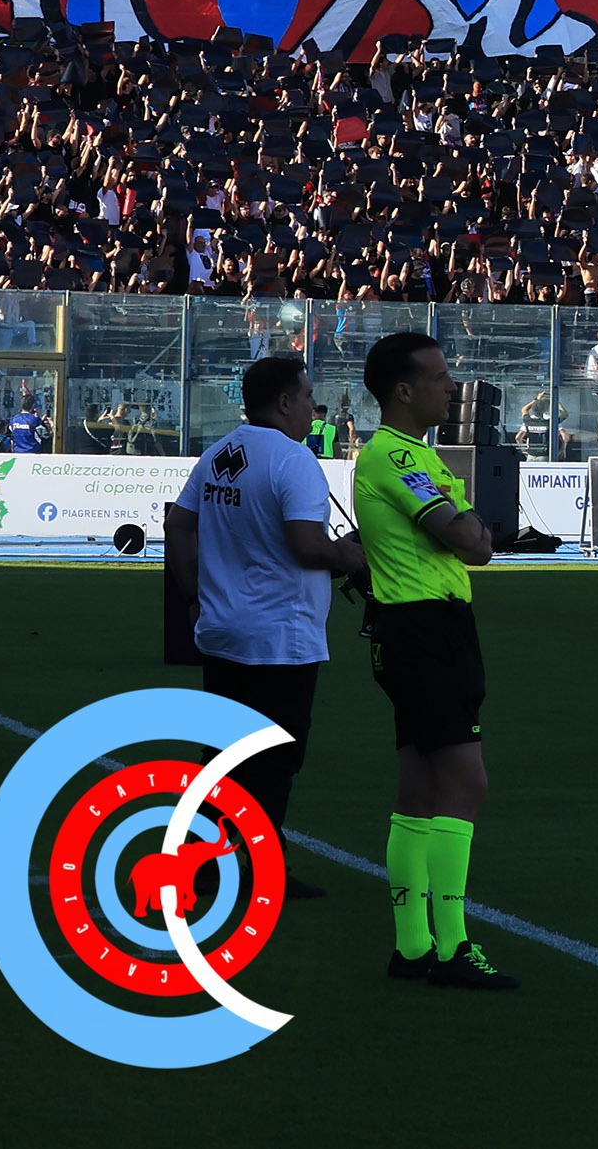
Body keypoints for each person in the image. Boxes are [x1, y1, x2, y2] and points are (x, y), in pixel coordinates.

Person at [354, 330, 521, 990]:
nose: (451, 388)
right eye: (439, 376)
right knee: (465, 783)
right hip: (425, 629)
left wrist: (470, 529)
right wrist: (469, 528)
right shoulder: (396, 457)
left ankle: (413, 945)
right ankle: (451, 948)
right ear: (404, 390)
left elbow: (477, 538)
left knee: (420, 789)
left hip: (422, 628)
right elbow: (472, 540)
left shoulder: (416, 456)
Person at [168, 353, 365, 884]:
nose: (313, 407)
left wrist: (193, 593)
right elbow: (307, 546)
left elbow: (177, 525)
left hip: (223, 630)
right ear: (283, 402)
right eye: (308, 396)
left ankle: (199, 863)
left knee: (222, 754)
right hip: (280, 635)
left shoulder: (219, 453)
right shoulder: (294, 460)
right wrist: (349, 555)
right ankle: (254, 870)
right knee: (276, 759)